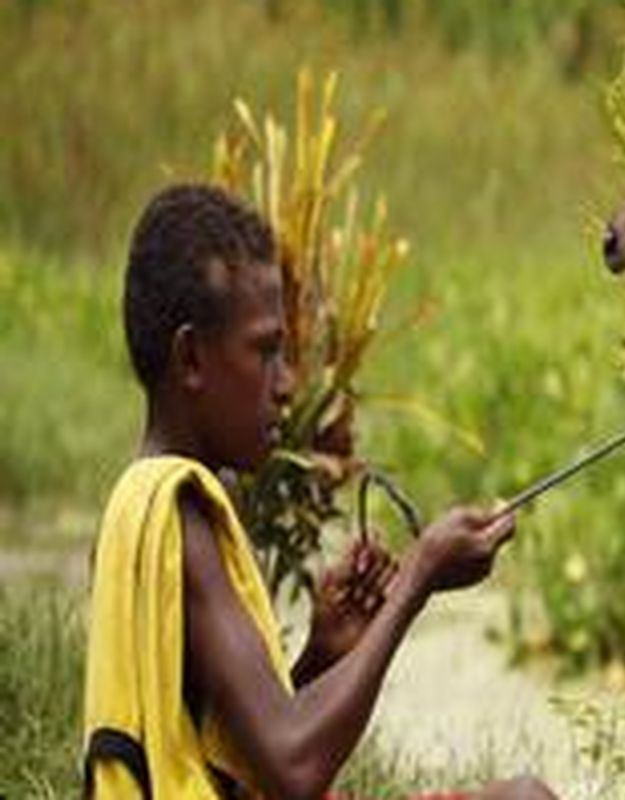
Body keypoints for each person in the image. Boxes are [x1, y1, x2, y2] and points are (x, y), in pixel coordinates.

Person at [82, 183, 557, 800]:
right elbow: (293, 769)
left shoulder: (143, 503)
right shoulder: (179, 513)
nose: (287, 384)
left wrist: (323, 654)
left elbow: (239, 747)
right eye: (266, 352)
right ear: (192, 358)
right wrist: (414, 582)